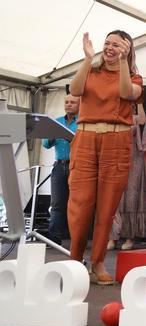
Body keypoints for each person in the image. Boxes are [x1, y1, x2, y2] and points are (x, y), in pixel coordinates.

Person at [67, 30, 143, 284]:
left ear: (128, 50)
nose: (110, 48)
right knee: (80, 204)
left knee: (107, 207)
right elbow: (76, 90)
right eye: (107, 43)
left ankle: (98, 262)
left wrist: (122, 62)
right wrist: (88, 58)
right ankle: (75, 261)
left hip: (116, 140)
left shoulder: (133, 76)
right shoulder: (91, 69)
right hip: (86, 138)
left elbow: (126, 93)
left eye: (118, 45)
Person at [108, 102, 146, 250]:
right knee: (114, 202)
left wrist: (139, 101)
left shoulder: (135, 117)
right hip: (115, 163)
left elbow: (142, 121)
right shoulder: (113, 117)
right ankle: (112, 237)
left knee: (132, 201)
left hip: (134, 164)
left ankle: (129, 238)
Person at [42, 94, 79, 246]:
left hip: (76, 166)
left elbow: (84, 145)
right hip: (59, 166)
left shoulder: (83, 123)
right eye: (66, 102)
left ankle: (77, 238)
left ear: (80, 105)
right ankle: (54, 238)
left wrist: (72, 139)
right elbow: (45, 144)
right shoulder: (56, 122)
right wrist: (53, 136)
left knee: (76, 203)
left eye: (72, 102)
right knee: (57, 202)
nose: (69, 104)